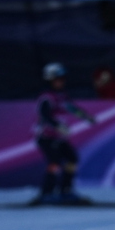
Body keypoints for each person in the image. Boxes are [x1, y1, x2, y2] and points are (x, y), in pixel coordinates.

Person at [35, 63, 97, 204]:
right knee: (55, 163)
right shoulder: (47, 97)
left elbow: (72, 108)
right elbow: (44, 115)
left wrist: (86, 117)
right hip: (46, 137)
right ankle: (46, 193)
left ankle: (66, 191)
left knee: (72, 159)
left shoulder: (62, 95)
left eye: (63, 78)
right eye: (58, 79)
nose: (61, 81)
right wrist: (57, 126)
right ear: (50, 80)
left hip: (59, 137)